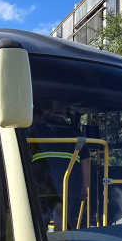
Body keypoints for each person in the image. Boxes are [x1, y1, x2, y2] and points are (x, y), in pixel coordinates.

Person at [28, 98, 91, 231]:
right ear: (66, 113)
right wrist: (84, 186)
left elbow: (27, 158)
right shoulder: (76, 133)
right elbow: (85, 161)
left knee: (40, 221)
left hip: (41, 184)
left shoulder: (35, 131)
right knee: (62, 221)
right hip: (68, 185)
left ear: (48, 113)